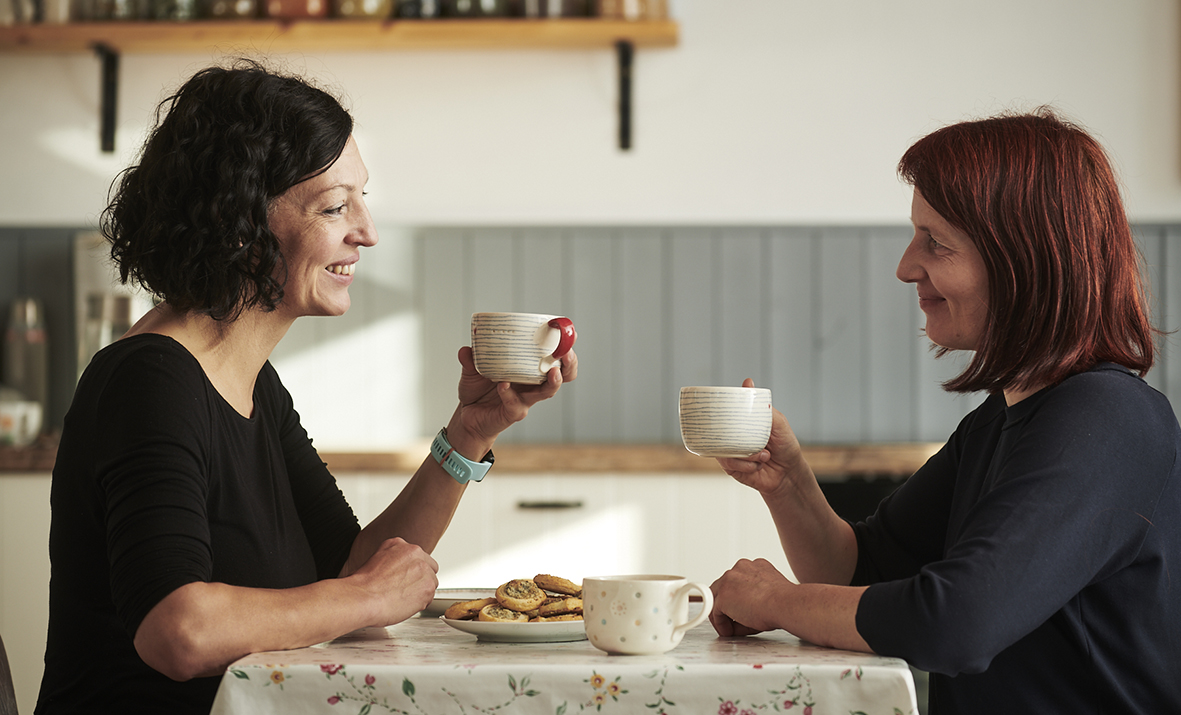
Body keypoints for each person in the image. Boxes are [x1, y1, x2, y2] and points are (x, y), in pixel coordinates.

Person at [34, 59, 577, 714]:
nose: (367, 231)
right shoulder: (149, 380)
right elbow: (176, 629)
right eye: (334, 206)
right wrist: (371, 598)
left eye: (362, 199)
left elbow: (346, 567)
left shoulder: (252, 382)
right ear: (238, 223)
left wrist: (470, 432)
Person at [707, 108, 1181, 713]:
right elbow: (861, 575)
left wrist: (773, 602)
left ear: (1023, 260)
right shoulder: (999, 420)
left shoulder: (1108, 418)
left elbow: (954, 623)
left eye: (936, 242)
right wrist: (789, 482)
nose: (906, 267)